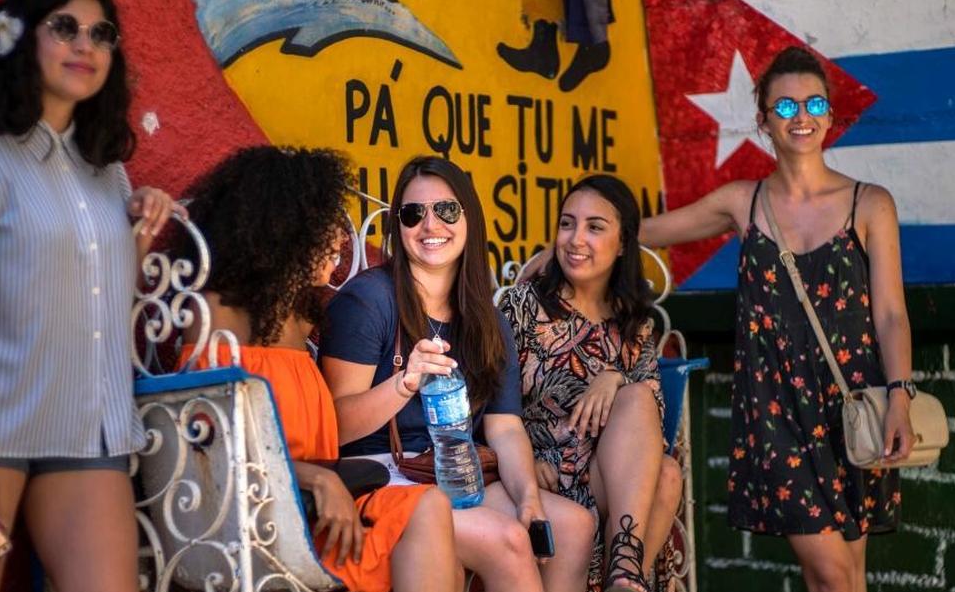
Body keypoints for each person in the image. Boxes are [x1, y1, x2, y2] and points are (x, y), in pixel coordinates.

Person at [0, 0, 182, 592]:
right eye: (65, 28)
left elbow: (105, 301)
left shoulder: (107, 173)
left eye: (101, 34)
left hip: (83, 434)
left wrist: (137, 234)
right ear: (20, 38)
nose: (86, 45)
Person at [640, 46, 914, 592]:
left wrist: (901, 396)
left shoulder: (871, 203)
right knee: (834, 575)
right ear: (763, 121)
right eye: (784, 107)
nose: (802, 116)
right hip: (775, 413)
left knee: (842, 576)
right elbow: (643, 233)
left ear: (831, 116)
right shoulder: (743, 202)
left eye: (813, 103)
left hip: (856, 405)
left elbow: (889, 313)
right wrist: (571, 240)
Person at [175, 146, 461, 592]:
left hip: (319, 506)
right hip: (256, 517)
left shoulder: (302, 317)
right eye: (326, 227)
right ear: (285, 230)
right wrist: (316, 478)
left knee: (429, 507)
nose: (340, 241)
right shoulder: (217, 314)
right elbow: (211, 444)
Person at [318, 155, 595, 592]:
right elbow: (333, 428)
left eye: (446, 211)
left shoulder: (484, 317)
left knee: (573, 526)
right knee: (506, 541)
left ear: (469, 218)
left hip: (453, 473)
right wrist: (403, 384)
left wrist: (528, 500)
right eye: (414, 214)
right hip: (380, 476)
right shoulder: (369, 300)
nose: (431, 226)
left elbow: (504, 427)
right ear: (398, 227)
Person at [498, 174, 683, 592]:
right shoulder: (523, 306)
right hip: (541, 475)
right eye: (567, 223)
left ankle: (624, 575)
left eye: (595, 227)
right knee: (667, 474)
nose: (575, 238)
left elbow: (650, 417)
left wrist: (613, 378)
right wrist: (523, 463)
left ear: (622, 244)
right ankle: (628, 576)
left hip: (605, 480)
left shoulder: (633, 323)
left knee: (665, 467)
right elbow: (486, 405)